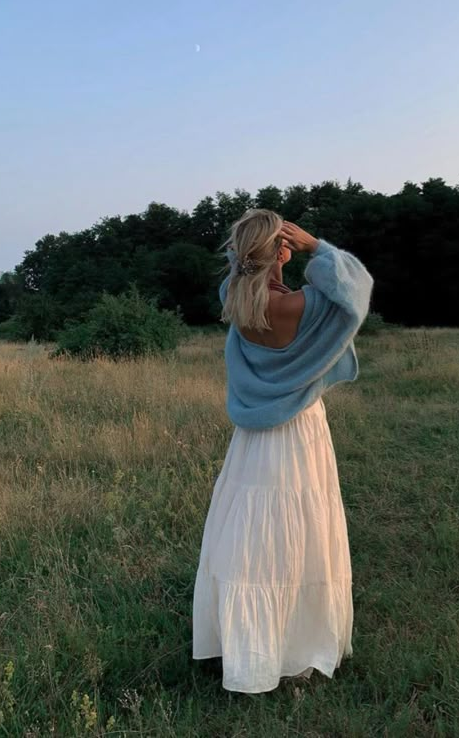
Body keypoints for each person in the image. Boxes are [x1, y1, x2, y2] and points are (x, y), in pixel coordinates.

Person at [191, 208, 374, 693]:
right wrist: (320, 248)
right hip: (299, 429)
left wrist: (254, 258)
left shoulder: (234, 300)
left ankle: (248, 642)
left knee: (250, 535)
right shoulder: (303, 306)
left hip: (252, 437)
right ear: (284, 250)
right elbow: (356, 293)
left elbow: (241, 274)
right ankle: (296, 644)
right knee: (302, 531)